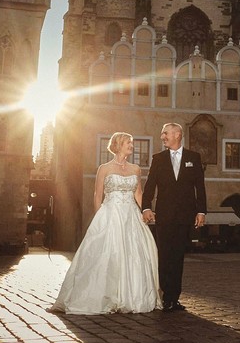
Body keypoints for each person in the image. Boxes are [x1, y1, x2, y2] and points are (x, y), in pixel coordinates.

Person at [51, 132, 161, 314]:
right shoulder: (104, 168)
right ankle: (102, 296)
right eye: (128, 143)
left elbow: (138, 194)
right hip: (110, 213)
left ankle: (131, 297)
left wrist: (145, 211)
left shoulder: (135, 169)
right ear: (118, 145)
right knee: (107, 253)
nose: (131, 146)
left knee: (135, 254)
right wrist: (98, 216)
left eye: (131, 143)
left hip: (131, 216)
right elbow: (98, 194)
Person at [141, 122, 207, 312]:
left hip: (185, 216)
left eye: (165, 133)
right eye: (162, 134)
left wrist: (201, 211)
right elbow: (149, 186)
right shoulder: (158, 159)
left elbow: (199, 187)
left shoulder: (194, 158)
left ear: (177, 134)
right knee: (164, 256)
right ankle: (166, 296)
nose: (162, 137)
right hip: (164, 215)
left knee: (178, 257)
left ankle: (174, 298)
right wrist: (146, 207)